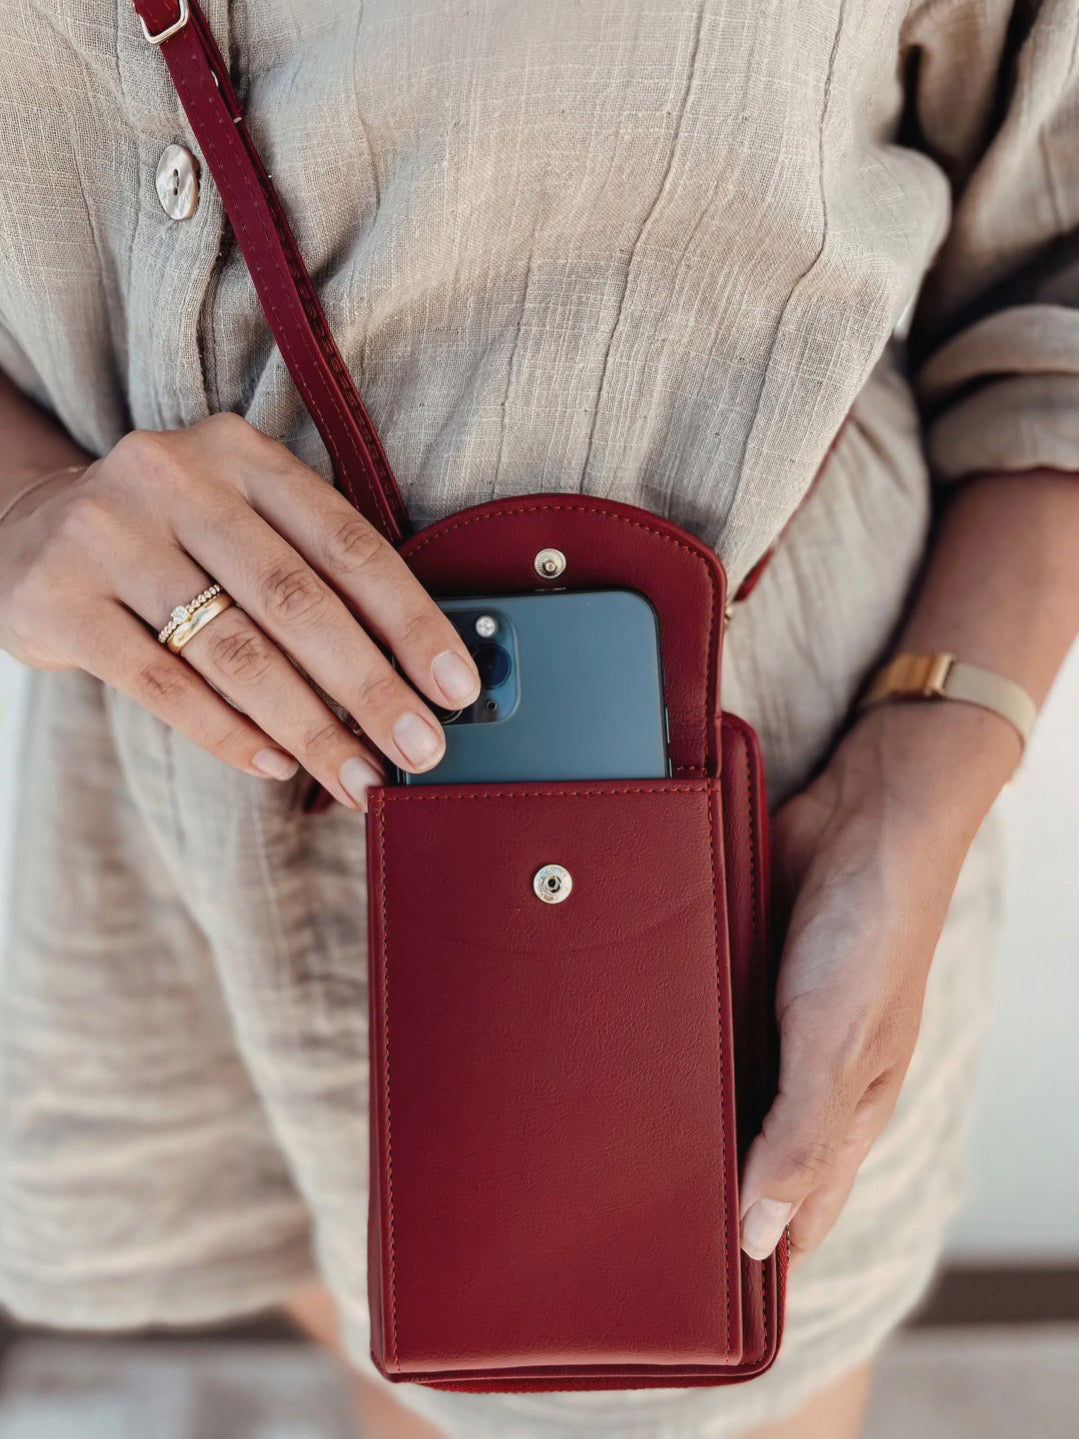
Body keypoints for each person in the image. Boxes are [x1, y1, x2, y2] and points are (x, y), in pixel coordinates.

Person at [0, 2, 1077, 1436]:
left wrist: (924, 777)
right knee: (407, 1342)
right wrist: (22, 506)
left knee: (649, 1366)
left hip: (737, 843)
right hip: (153, 796)